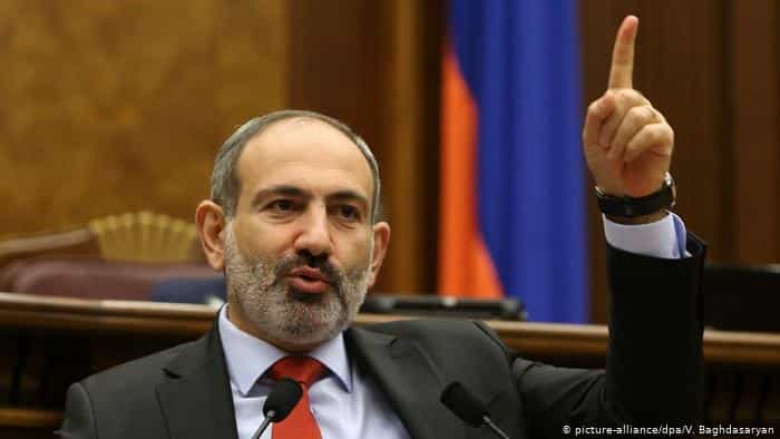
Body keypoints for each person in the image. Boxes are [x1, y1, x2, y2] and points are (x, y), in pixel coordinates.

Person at [58, 16, 704, 439]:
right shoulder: (118, 415)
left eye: (346, 212)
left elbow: (648, 422)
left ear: (376, 251)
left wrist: (637, 208)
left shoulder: (462, 371)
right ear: (213, 233)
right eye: (283, 205)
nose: (317, 239)